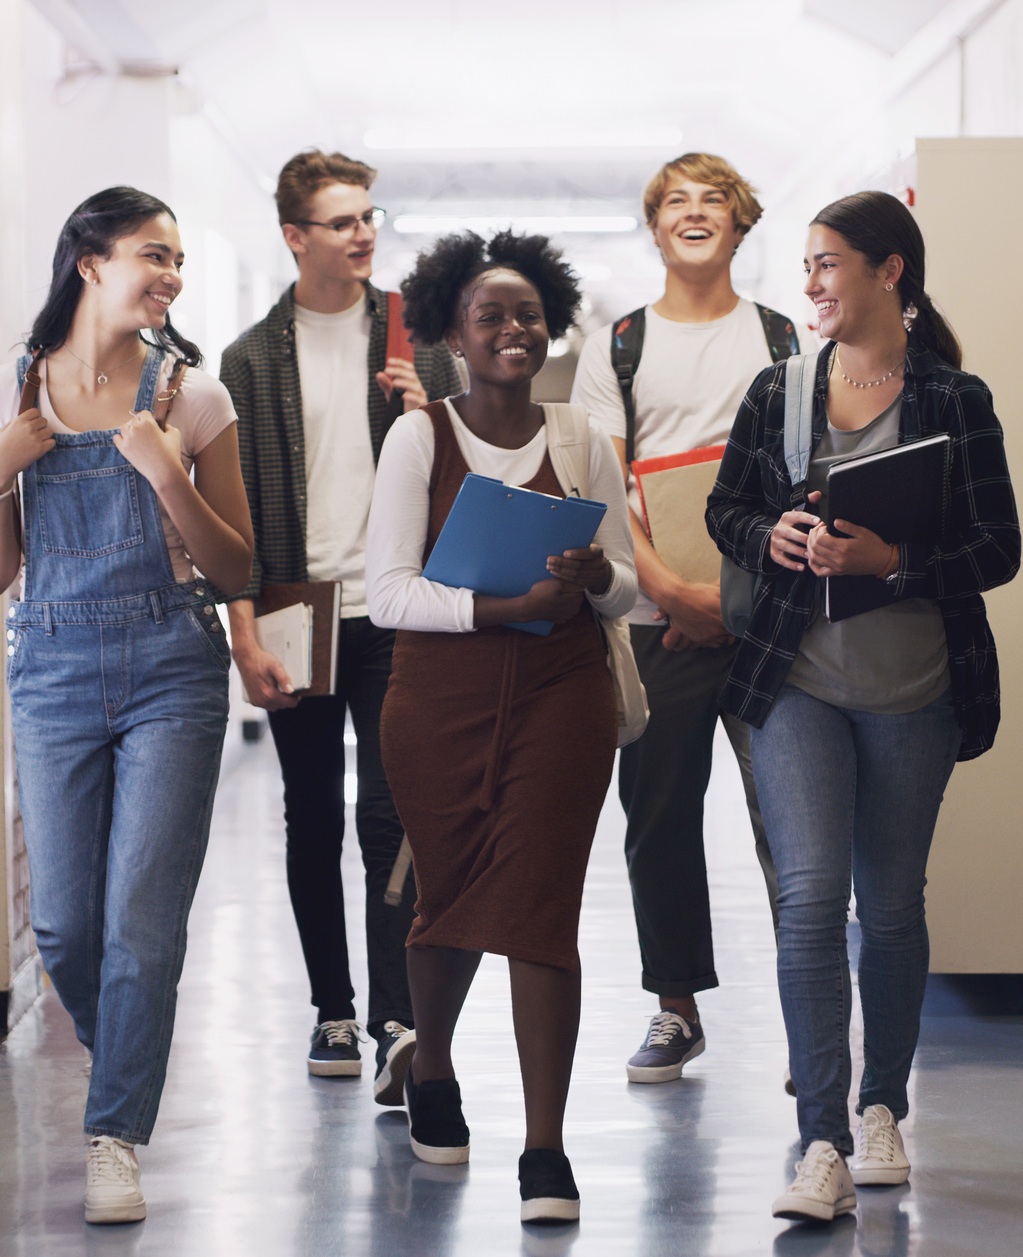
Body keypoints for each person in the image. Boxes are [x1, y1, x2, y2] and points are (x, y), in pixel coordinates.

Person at [705, 191, 1020, 1223]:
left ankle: (882, 1107)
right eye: (806, 264)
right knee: (807, 899)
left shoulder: (952, 400)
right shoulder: (777, 391)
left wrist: (893, 562)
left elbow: (998, 548)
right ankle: (822, 1140)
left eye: (829, 263)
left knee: (888, 906)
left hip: (915, 691)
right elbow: (726, 508)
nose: (811, 284)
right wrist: (772, 537)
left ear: (891, 272)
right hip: (793, 683)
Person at [0, 187, 253, 1226]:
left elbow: (237, 565)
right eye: (151, 253)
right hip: (50, 667)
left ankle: (113, 1133)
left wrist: (170, 476)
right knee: (65, 925)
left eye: (177, 258)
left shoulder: (196, 398)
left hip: (174, 664)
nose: (170, 274)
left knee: (141, 923)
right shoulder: (10, 388)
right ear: (88, 261)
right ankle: (126, 1051)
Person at [365, 230, 637, 1224]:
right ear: (454, 336)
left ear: (551, 325)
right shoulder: (417, 437)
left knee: (539, 904)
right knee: (445, 894)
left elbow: (629, 595)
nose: (514, 329)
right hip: (437, 701)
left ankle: (545, 1147)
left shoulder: (580, 441)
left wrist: (599, 579)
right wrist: (501, 606)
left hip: (562, 698)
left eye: (528, 313)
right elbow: (386, 593)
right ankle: (431, 1066)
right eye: (492, 316)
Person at [218, 150, 461, 1099]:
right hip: (294, 605)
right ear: (294, 236)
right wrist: (241, 628)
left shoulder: (423, 339)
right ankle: (333, 1006)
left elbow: (471, 475)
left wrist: (428, 411)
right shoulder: (248, 359)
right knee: (310, 814)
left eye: (370, 216)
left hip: (397, 605)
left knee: (391, 816)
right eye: (341, 220)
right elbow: (231, 514)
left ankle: (398, 1019)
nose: (363, 234)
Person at [570, 152, 796, 1084]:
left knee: (791, 820)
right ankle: (674, 1007)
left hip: (771, 618)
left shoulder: (784, 338)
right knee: (656, 815)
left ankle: (808, 1014)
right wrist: (667, 589)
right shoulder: (616, 346)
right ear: (654, 226)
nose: (694, 214)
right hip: (656, 618)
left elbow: (802, 472)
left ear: (741, 227)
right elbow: (604, 481)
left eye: (714, 202)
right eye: (676, 202)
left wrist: (741, 597)